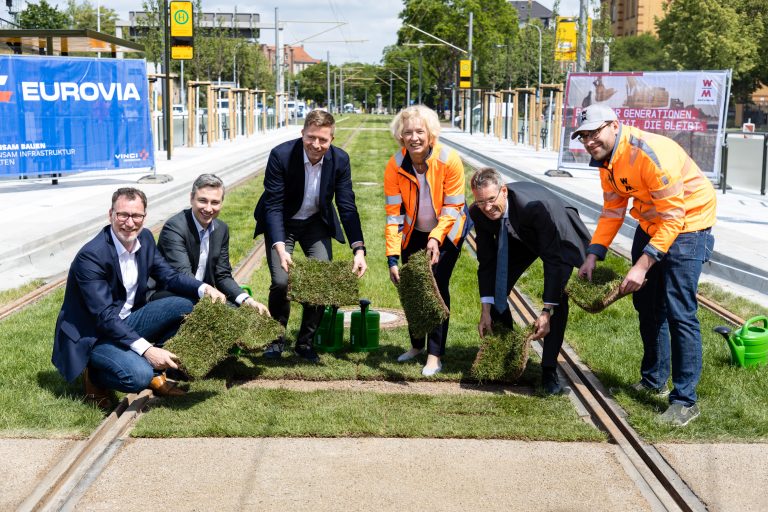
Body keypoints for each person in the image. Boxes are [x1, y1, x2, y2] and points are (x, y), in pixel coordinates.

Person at [574, 104, 716, 426]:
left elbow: (674, 216)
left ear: (613, 125)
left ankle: (685, 401)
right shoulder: (606, 160)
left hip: (690, 222)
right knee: (647, 306)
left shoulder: (649, 154)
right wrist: (594, 252)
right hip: (654, 222)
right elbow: (612, 210)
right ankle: (654, 379)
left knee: (679, 309)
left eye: (594, 133)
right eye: (583, 136)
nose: (588, 141)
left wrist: (642, 265)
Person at [51, 187, 226, 410]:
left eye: (136, 216)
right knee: (138, 377)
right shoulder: (91, 256)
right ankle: (94, 374)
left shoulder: (143, 237)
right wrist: (148, 351)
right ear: (110, 214)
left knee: (187, 304)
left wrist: (203, 288)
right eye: (122, 215)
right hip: (94, 335)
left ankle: (143, 363)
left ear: (144, 216)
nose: (129, 222)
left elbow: (168, 276)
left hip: (125, 321)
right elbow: (104, 318)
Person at [253, 110, 367, 363]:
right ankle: (276, 339)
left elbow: (347, 206)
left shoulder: (340, 160)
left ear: (332, 139)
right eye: (311, 137)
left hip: (315, 222)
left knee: (320, 280)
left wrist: (359, 249)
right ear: (302, 133)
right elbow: (273, 205)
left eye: (323, 140)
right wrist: (281, 247)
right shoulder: (281, 155)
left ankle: (305, 342)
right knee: (282, 281)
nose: (316, 145)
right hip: (282, 221)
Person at [469, 168, 591, 394]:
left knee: (558, 299)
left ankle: (549, 371)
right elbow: (486, 262)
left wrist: (546, 310)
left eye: (491, 199)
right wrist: (486, 309)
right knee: (497, 288)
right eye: (480, 201)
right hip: (517, 232)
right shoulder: (479, 212)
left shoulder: (534, 208)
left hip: (555, 228)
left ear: (503, 191)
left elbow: (553, 260)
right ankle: (508, 355)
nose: (486, 207)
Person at [384, 105, 468, 376]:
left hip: (448, 230)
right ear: (401, 137)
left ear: (431, 134)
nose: (414, 137)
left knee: (435, 287)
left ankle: (435, 355)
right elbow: (394, 215)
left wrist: (435, 237)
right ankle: (416, 345)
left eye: (420, 131)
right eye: (408, 132)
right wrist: (392, 257)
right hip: (413, 232)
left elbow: (453, 208)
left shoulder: (449, 159)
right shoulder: (395, 166)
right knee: (410, 286)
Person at [156, 173, 268, 314]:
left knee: (245, 315)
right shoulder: (174, 228)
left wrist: (247, 300)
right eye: (203, 201)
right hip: (173, 295)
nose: (208, 209)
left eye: (215, 202)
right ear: (191, 199)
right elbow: (182, 275)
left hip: (204, 295)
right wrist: (209, 291)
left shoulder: (221, 229)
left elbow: (223, 275)